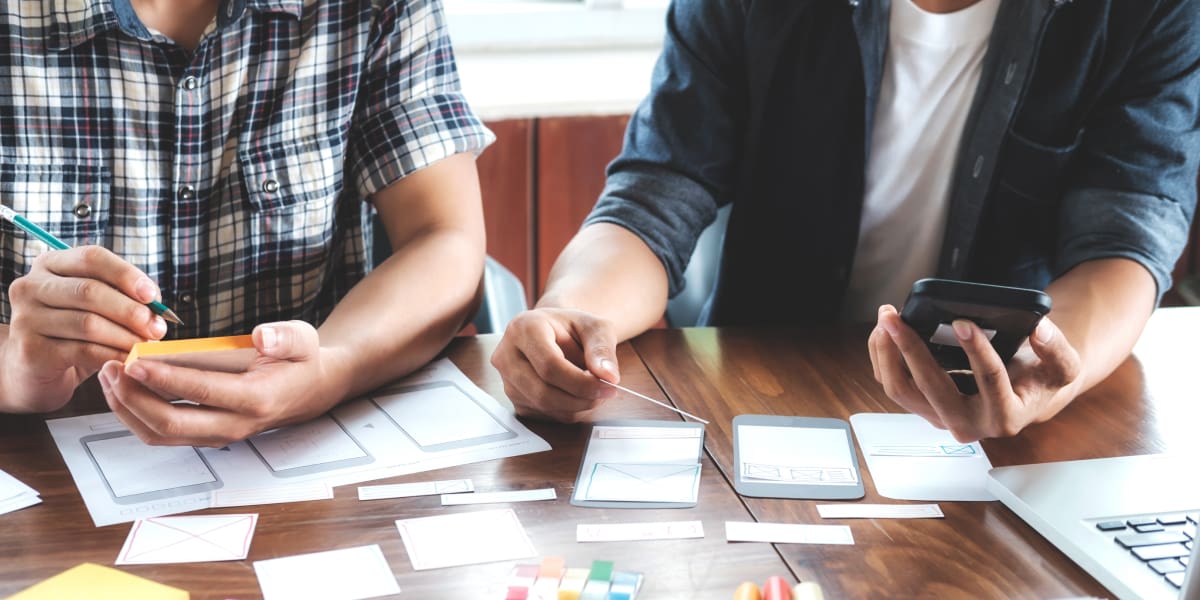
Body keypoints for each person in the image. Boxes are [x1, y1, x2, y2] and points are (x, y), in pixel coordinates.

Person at [492, 0, 1200, 440]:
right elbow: (658, 191)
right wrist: (569, 315)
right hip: (767, 394)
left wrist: (1049, 378)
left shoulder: (1151, 10)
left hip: (995, 418)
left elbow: (1125, 241)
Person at [0, 0, 492, 446]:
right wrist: (13, 371)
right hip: (46, 461)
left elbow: (444, 238)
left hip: (304, 447)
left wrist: (334, 365)